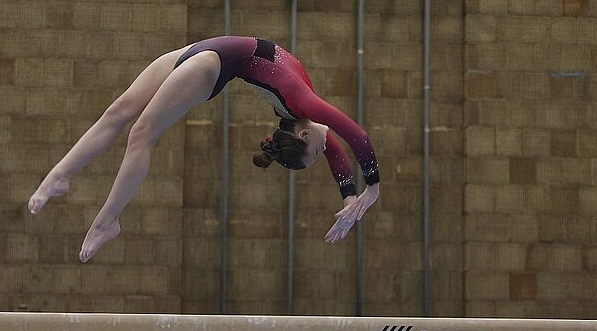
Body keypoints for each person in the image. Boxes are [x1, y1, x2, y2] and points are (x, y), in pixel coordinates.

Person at [29, 36, 382, 262]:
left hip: (206, 53)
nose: (326, 148)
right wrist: (372, 189)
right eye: (316, 153)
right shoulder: (304, 102)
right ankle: (96, 211)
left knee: (127, 120)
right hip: (208, 62)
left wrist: (349, 199)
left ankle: (69, 184)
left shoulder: (298, 114)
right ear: (303, 136)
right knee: (135, 128)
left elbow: (338, 153)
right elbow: (357, 138)